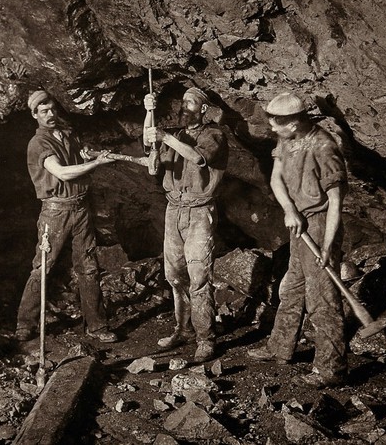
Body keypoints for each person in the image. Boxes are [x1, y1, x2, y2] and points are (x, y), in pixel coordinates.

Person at [247, 92, 348, 388]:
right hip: (299, 223)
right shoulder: (287, 141)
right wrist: (290, 210)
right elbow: (276, 178)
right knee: (291, 288)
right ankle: (280, 348)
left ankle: (332, 369)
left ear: (293, 123)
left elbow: (336, 201)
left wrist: (328, 246)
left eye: (276, 122)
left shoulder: (324, 147)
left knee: (322, 298)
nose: (271, 127)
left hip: (319, 225)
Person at [15, 90, 118, 343]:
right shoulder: (38, 144)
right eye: (43, 111)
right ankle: (24, 325)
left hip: (81, 208)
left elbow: (76, 156)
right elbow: (62, 173)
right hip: (55, 211)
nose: (50, 114)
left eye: (52, 108)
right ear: (34, 115)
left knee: (89, 267)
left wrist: (87, 155)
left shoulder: (67, 133)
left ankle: (96, 326)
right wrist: (96, 164)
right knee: (43, 267)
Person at [143, 87, 228, 363]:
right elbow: (153, 152)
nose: (184, 107)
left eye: (191, 102)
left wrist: (164, 136)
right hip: (174, 211)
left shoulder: (215, 135)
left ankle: (206, 338)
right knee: (175, 276)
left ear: (203, 109)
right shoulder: (176, 137)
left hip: (200, 212)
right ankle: (182, 329)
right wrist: (148, 113)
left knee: (199, 277)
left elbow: (199, 158)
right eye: (183, 102)